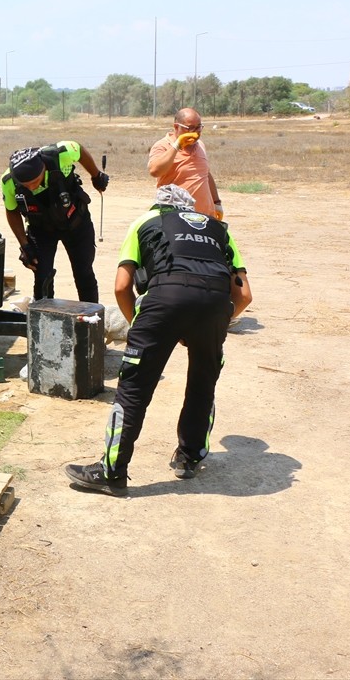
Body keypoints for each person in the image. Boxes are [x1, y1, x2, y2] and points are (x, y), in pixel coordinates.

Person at [65, 184, 252, 496]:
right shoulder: (219, 229)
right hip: (215, 306)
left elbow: (123, 286)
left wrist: (139, 325)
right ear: (190, 208)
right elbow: (244, 295)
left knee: (134, 389)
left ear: (158, 207)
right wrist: (210, 323)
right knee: (202, 385)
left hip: (164, 300)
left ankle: (112, 472)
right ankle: (190, 457)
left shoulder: (145, 222)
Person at [2, 141, 110, 303]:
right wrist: (25, 245)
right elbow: (12, 212)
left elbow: (79, 150)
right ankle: (43, 322)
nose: (31, 187)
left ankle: (90, 321)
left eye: (35, 181)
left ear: (43, 169)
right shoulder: (9, 182)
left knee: (84, 273)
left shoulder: (60, 155)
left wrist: (96, 175)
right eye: (26, 185)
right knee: (42, 277)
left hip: (76, 223)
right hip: (41, 230)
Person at [148, 107, 223, 220]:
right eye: (190, 128)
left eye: (199, 127)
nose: (196, 132)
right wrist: (177, 146)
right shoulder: (162, 145)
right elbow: (155, 171)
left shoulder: (200, 145)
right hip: (176, 216)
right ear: (176, 127)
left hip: (205, 216)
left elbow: (205, 174)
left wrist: (217, 202)